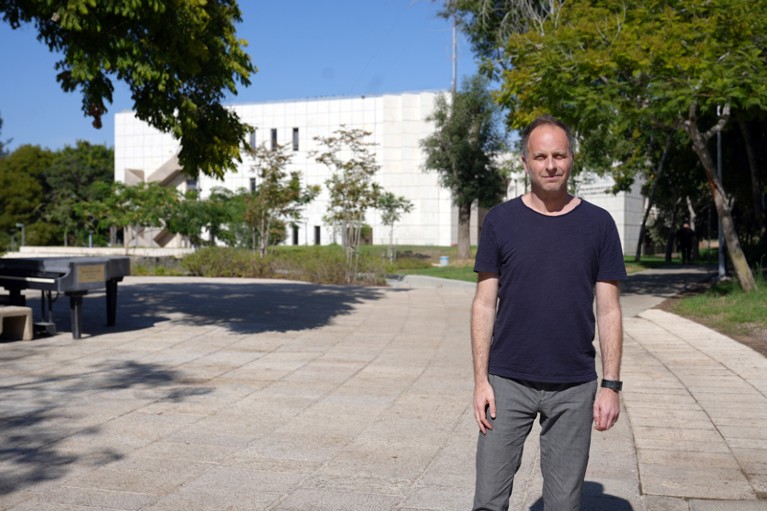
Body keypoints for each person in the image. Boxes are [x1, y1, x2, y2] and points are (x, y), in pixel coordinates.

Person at [471, 115, 627, 511]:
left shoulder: (599, 224)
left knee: (563, 504)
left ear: (572, 159)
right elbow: (484, 303)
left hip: (574, 387)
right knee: (488, 498)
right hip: (507, 382)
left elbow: (609, 310)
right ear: (525, 162)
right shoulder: (500, 221)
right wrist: (480, 381)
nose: (550, 164)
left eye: (559, 155)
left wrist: (610, 385)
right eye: (540, 156)